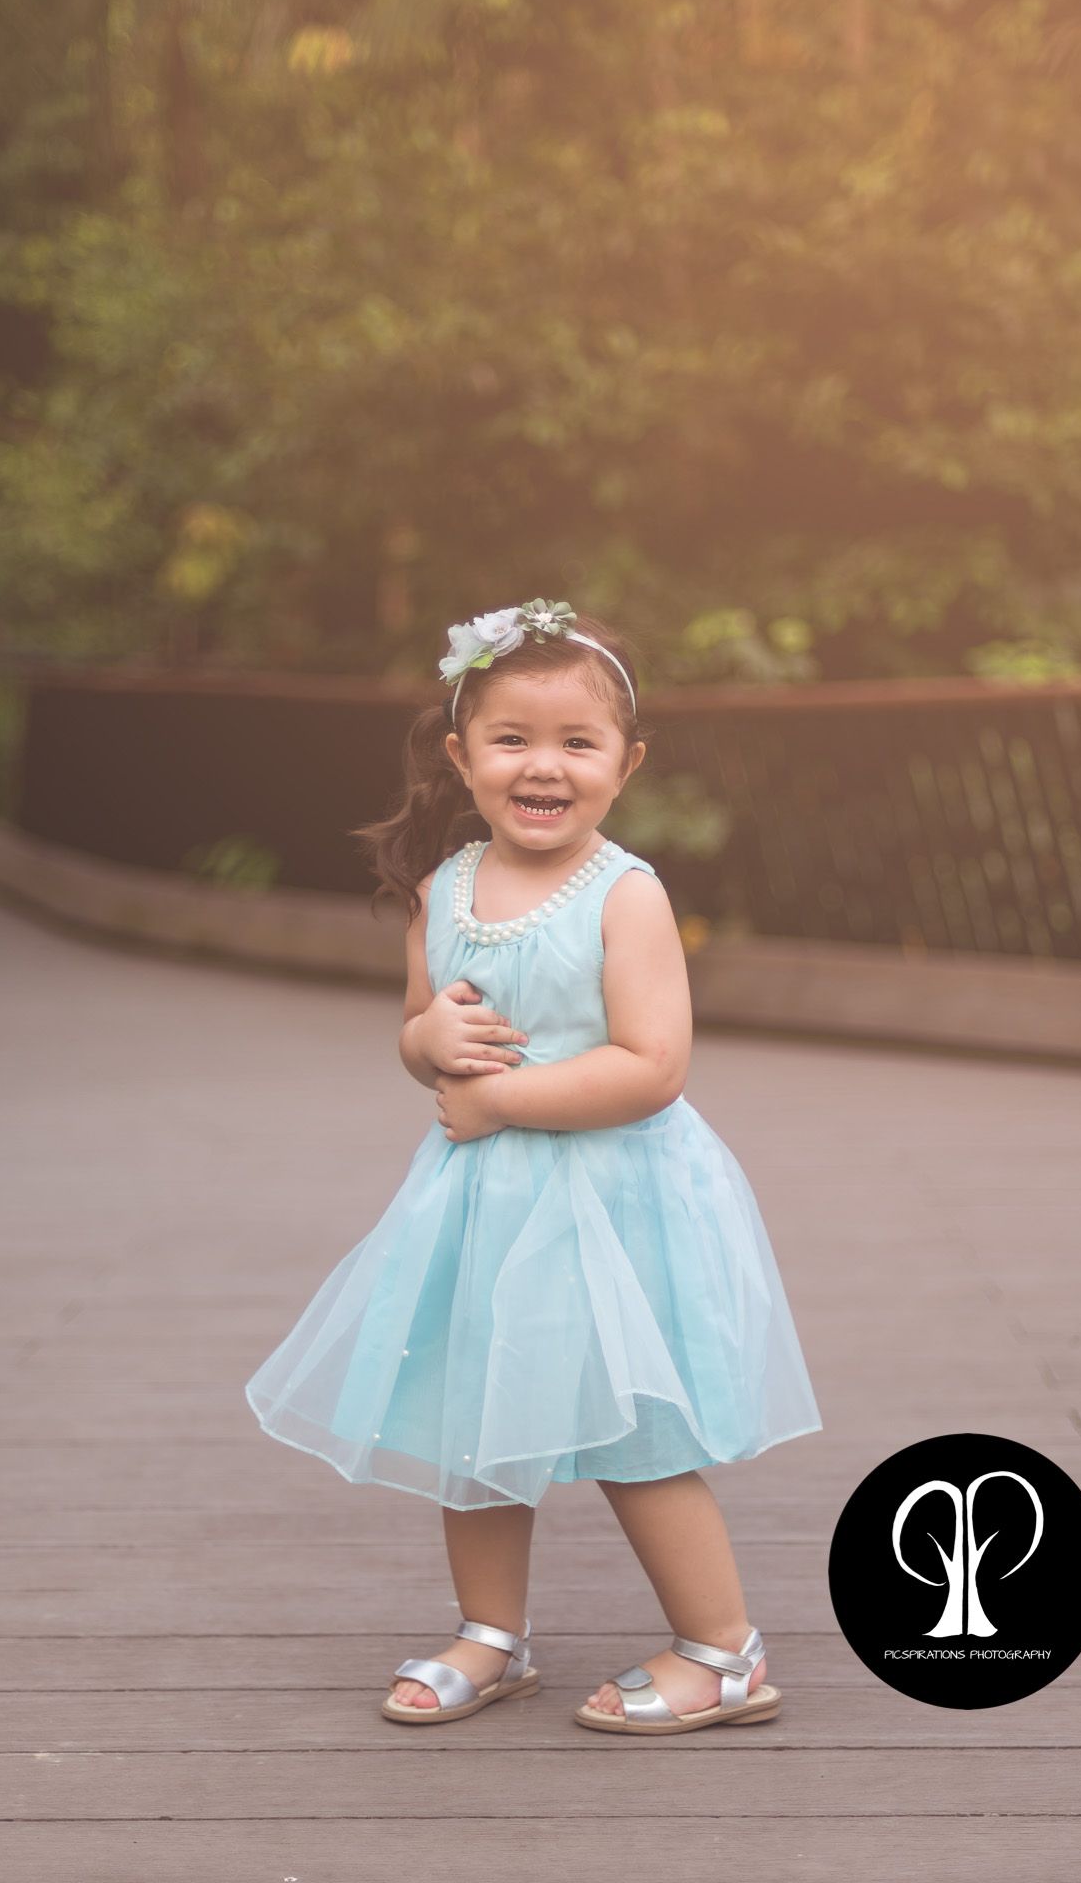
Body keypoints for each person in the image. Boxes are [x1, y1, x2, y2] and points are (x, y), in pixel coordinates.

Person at [245, 598, 823, 1734]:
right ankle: (491, 1632)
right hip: (484, 1201)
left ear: (626, 763)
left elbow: (651, 1066)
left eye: (577, 742)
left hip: (611, 1200)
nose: (542, 765)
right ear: (461, 756)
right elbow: (418, 1027)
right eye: (510, 738)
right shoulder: (443, 890)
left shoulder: (625, 894)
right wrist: (428, 1042)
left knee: (633, 1430)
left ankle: (723, 1648)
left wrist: (496, 1096)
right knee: (471, 1416)